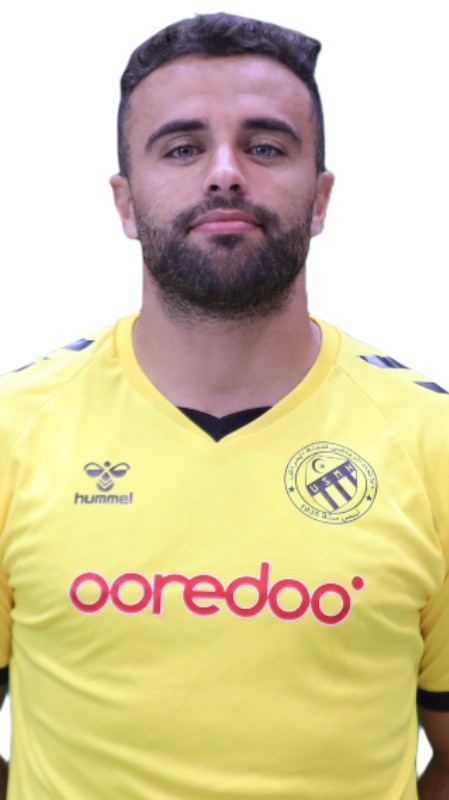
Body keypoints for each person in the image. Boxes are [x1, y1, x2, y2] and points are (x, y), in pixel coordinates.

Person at [0, 12, 447, 799]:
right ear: (124, 203)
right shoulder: (14, 432)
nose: (225, 174)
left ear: (320, 198)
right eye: (182, 148)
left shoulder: (431, 443)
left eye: (265, 147)